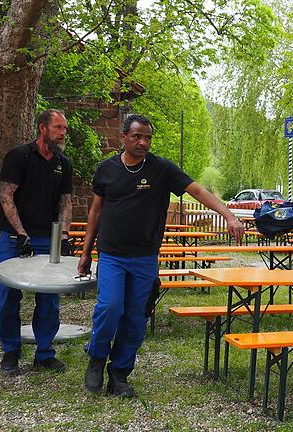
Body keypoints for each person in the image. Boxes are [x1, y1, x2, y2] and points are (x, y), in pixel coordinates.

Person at [78, 114, 244, 397]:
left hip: (144, 257)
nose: (143, 142)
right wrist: (85, 253)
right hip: (112, 255)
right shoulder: (106, 169)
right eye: (137, 136)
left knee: (136, 317)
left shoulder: (161, 169)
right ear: (124, 138)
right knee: (110, 308)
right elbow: (95, 211)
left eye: (147, 138)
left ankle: (119, 374)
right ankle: (96, 359)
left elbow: (199, 191)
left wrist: (228, 215)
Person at [0, 108, 73, 375]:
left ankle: (44, 353)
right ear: (43, 128)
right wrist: (21, 233)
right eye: (58, 128)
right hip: (14, 237)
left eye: (64, 128)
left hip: (46, 239)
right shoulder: (19, 156)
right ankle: (10, 352)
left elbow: (65, 202)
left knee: (49, 300)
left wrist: (63, 236)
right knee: (9, 296)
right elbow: (7, 196)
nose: (63, 133)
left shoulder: (63, 163)